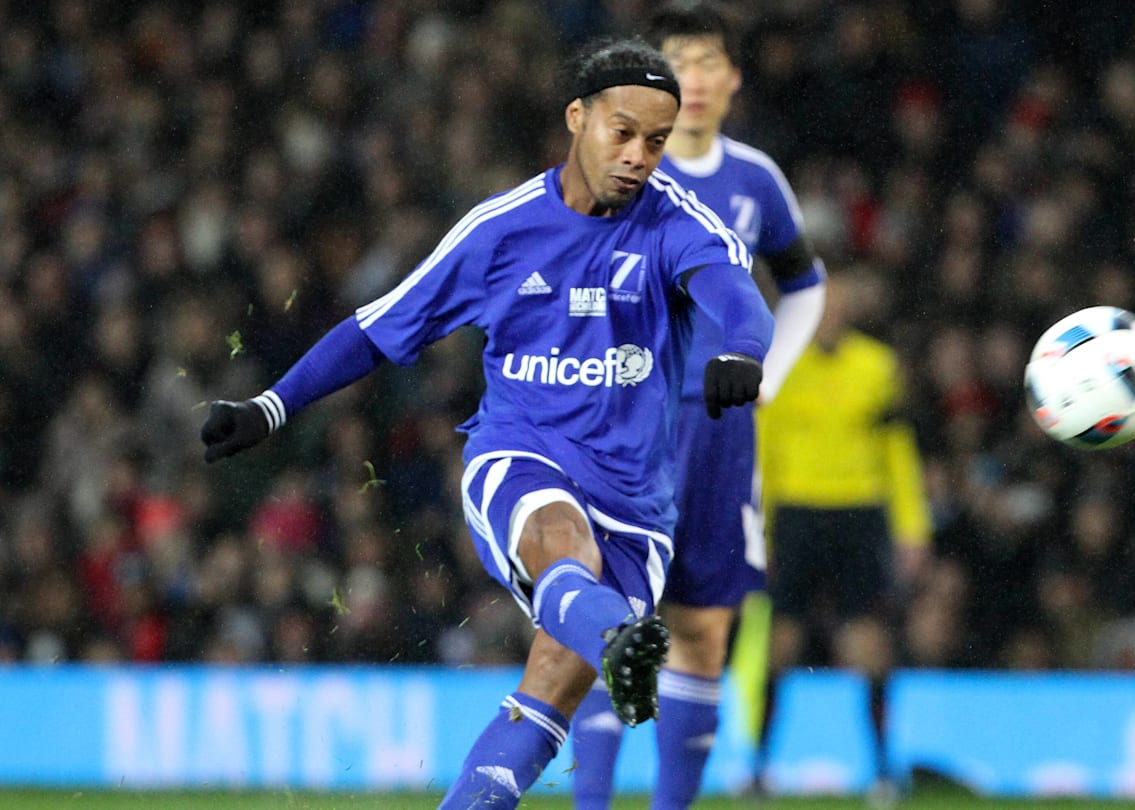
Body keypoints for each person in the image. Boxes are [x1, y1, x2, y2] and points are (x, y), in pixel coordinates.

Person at [199, 37, 774, 810]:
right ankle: (612, 638)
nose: (641, 155)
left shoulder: (675, 222)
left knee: (541, 705)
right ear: (577, 117)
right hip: (522, 458)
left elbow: (736, 292)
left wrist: (742, 348)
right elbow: (377, 329)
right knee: (562, 543)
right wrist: (270, 407)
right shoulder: (500, 230)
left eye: (658, 140)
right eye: (624, 131)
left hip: (638, 505)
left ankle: (577, 673)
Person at [566, 5, 826, 809]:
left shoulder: (755, 180)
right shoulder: (619, 171)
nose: (700, 78)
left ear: (733, 77)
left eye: (712, 61)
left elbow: (806, 283)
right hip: (626, 430)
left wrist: (769, 372)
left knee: (705, 631)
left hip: (721, 436)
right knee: (614, 631)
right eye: (682, 61)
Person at [754, 268, 931, 797]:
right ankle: (760, 769)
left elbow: (897, 452)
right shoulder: (778, 368)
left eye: (837, 308)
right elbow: (762, 453)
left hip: (859, 516)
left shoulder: (877, 367)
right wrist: (756, 530)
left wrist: (912, 528)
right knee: (780, 644)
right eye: (820, 309)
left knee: (869, 643)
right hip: (797, 515)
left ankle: (881, 770)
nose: (829, 317)